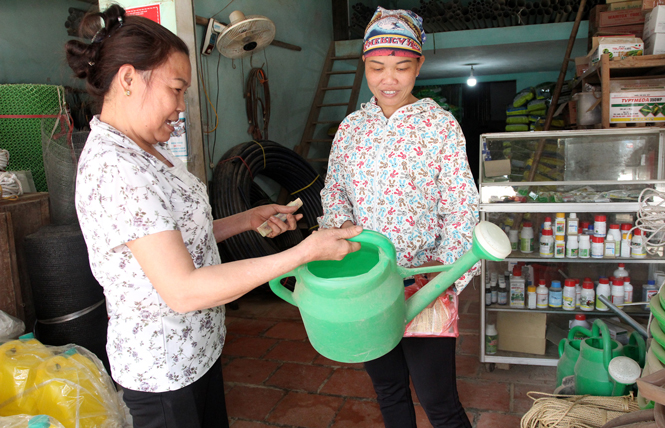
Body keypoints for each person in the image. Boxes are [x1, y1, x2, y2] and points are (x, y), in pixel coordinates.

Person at [65, 6, 362, 428]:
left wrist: (247, 218)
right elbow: (182, 289)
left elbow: (174, 238)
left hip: (196, 352)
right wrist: (304, 254)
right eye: (176, 89)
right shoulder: (117, 168)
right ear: (129, 79)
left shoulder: (148, 150)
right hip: (164, 370)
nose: (182, 106)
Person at [318, 7, 479, 428]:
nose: (388, 79)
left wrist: (446, 278)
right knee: (388, 391)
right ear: (365, 66)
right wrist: (343, 247)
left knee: (439, 401)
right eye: (376, 67)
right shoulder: (351, 129)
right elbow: (335, 194)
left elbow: (461, 207)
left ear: (419, 65)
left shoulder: (440, 126)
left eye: (402, 67)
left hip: (427, 282)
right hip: (368, 282)